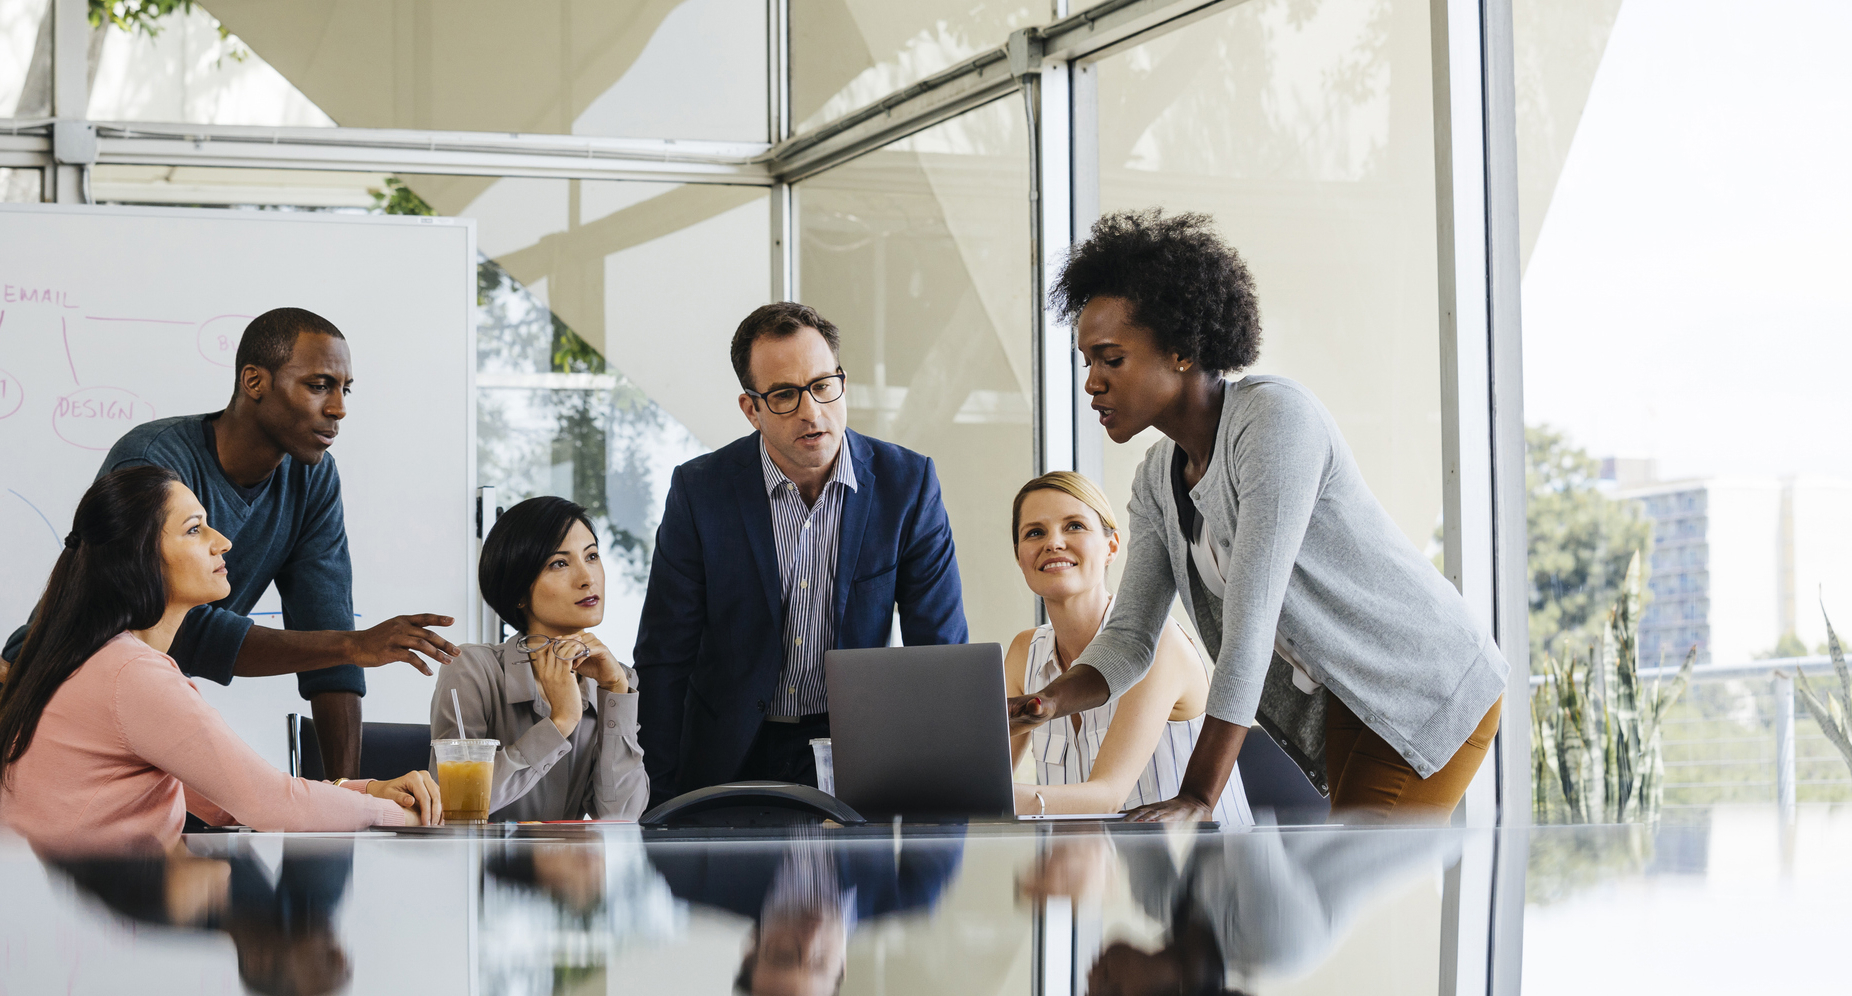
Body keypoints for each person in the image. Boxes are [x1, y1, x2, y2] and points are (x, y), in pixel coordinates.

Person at [1009, 210, 1508, 824]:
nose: (1092, 383)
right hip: (1350, 694)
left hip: (1429, 679)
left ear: (1182, 349)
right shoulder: (1157, 479)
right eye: (1087, 362)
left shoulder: (1275, 422)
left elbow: (1250, 626)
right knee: (1334, 885)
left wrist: (1198, 795)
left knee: (1350, 864)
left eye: (1110, 359)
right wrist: (1049, 701)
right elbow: (1130, 638)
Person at [1, 307, 461, 779]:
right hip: (36, 693)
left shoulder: (313, 477)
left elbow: (330, 637)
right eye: (319, 385)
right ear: (254, 381)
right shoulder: (153, 461)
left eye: (345, 389)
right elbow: (173, 624)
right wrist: (349, 645)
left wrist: (349, 794)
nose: (339, 407)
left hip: (135, 708)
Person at [0, 466, 441, 853]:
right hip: (89, 933)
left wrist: (370, 790)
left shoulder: (84, 660)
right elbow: (269, 804)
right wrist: (401, 816)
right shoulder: (131, 674)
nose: (223, 542)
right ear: (141, 557)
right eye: (195, 529)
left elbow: (228, 799)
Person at [635, 302, 967, 806]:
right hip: (728, 756)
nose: (812, 412)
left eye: (822, 386)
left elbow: (940, 655)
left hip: (858, 751)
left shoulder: (908, 485)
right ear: (751, 409)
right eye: (785, 395)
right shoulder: (700, 491)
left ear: (842, 381)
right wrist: (658, 798)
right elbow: (664, 659)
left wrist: (943, 796)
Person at [1005, 471, 1251, 825]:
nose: (1053, 543)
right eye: (1034, 532)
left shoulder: (1159, 642)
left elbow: (1107, 798)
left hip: (1205, 867)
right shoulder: (1023, 652)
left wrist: (980, 797)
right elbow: (987, 774)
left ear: (1112, 547)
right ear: (1019, 556)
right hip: (1093, 869)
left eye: (1074, 526)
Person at [432, 496, 648, 821]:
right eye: (559, 563)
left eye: (591, 556)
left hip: (569, 870)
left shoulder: (613, 679)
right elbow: (452, 807)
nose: (587, 577)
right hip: (480, 868)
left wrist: (616, 690)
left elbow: (621, 816)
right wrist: (560, 722)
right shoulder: (472, 670)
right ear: (519, 591)